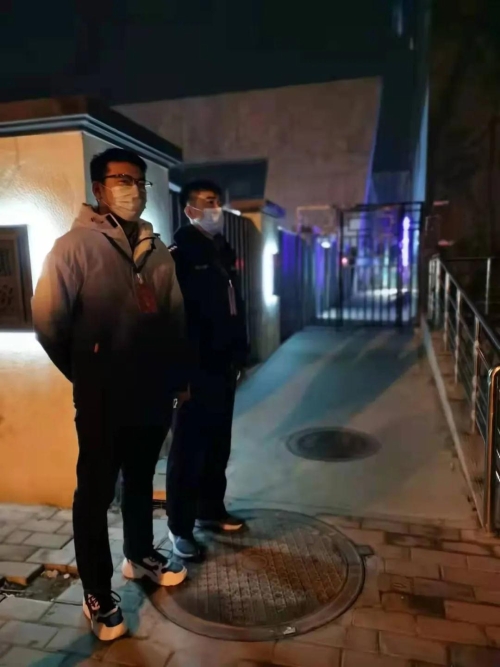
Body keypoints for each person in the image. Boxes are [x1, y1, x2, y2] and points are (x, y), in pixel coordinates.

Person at [32, 148, 188, 641]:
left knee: (139, 479)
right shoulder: (73, 247)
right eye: (123, 180)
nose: (134, 189)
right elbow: (48, 323)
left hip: (151, 394)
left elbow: (174, 319)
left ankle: (138, 554)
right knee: (95, 494)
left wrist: (175, 376)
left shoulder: (157, 249)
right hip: (102, 398)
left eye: (140, 182)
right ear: (99, 189)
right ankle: (96, 592)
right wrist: (88, 372)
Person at [167, 180, 249, 558]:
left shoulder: (222, 251)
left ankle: (210, 510)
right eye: (209, 202)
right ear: (190, 210)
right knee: (188, 450)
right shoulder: (179, 255)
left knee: (218, 444)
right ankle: (180, 527)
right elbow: (173, 319)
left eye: (219, 202)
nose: (217, 209)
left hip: (222, 366)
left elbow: (234, 307)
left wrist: (239, 354)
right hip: (194, 370)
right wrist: (179, 373)